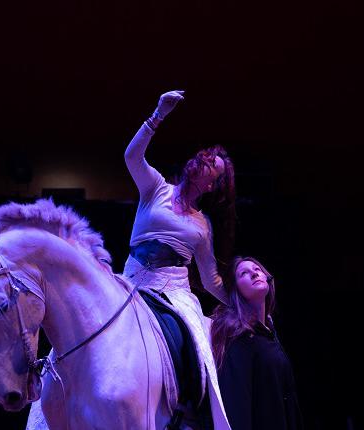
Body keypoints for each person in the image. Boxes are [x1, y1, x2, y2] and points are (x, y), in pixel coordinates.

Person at [122, 90, 236, 430]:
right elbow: (132, 156)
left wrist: (239, 305)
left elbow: (211, 278)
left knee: (184, 335)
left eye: (210, 167)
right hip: (130, 283)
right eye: (203, 157)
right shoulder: (156, 188)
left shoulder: (202, 225)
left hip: (172, 291)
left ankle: (185, 411)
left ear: (212, 185)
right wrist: (158, 114)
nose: (201, 162)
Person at [211, 256, 304, 430]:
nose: (254, 274)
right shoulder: (239, 340)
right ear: (235, 290)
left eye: (257, 269)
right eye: (243, 273)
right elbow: (238, 409)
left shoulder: (268, 334)